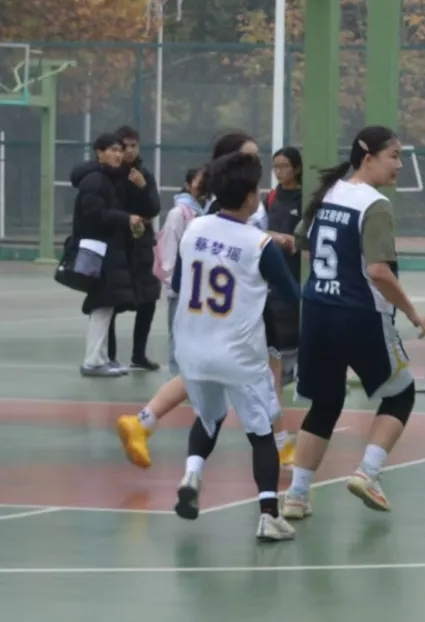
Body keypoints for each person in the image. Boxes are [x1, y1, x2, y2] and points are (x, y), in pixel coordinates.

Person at [115, 131, 297, 468]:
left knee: (216, 371)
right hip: (237, 307)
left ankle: (144, 421)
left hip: (240, 303)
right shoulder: (223, 207)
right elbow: (235, 240)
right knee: (255, 372)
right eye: (248, 156)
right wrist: (269, 242)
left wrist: (270, 237)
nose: (255, 163)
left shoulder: (237, 201)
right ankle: (279, 443)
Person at [282, 126, 425, 520]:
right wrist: (411, 311)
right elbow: (378, 271)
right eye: (394, 156)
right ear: (368, 158)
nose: (399, 164)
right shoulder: (375, 204)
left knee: (325, 403)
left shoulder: (327, 193)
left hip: (317, 312)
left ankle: (296, 495)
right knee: (400, 394)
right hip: (359, 313)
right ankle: (368, 472)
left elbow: (301, 241)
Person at [171, 151, 301, 542]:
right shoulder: (258, 243)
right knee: (261, 432)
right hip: (238, 353)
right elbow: (291, 294)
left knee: (208, 417)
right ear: (248, 197)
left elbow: (178, 283)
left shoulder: (195, 229)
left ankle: (192, 474)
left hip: (191, 348)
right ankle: (269, 515)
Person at [71, 132, 142, 377]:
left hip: (107, 250)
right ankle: (93, 361)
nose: (118, 155)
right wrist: (126, 218)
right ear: (99, 153)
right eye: (112, 150)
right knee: (101, 304)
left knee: (105, 304)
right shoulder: (94, 180)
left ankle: (101, 358)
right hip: (98, 252)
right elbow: (95, 214)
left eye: (120, 150)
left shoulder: (108, 179)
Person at [107, 125, 162, 372]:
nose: (129, 151)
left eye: (133, 146)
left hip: (141, 245)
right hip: (117, 245)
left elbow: (154, 208)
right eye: (124, 146)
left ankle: (139, 354)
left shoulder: (144, 175)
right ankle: (108, 355)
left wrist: (142, 187)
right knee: (110, 301)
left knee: (148, 298)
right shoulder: (108, 175)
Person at [156, 167, 209, 377]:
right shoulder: (178, 214)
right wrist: (173, 285)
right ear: (188, 185)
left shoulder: (206, 213)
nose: (204, 187)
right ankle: (177, 380)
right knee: (178, 336)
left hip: (200, 288)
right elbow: (169, 250)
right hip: (180, 289)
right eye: (199, 182)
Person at [265, 146, 304, 386]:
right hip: (273, 272)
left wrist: (295, 242)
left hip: (296, 270)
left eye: (284, 166)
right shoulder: (271, 198)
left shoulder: (305, 199)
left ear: (297, 168)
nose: (279, 172)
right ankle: (279, 374)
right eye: (276, 167)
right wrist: (274, 237)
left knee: (293, 318)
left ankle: (293, 370)